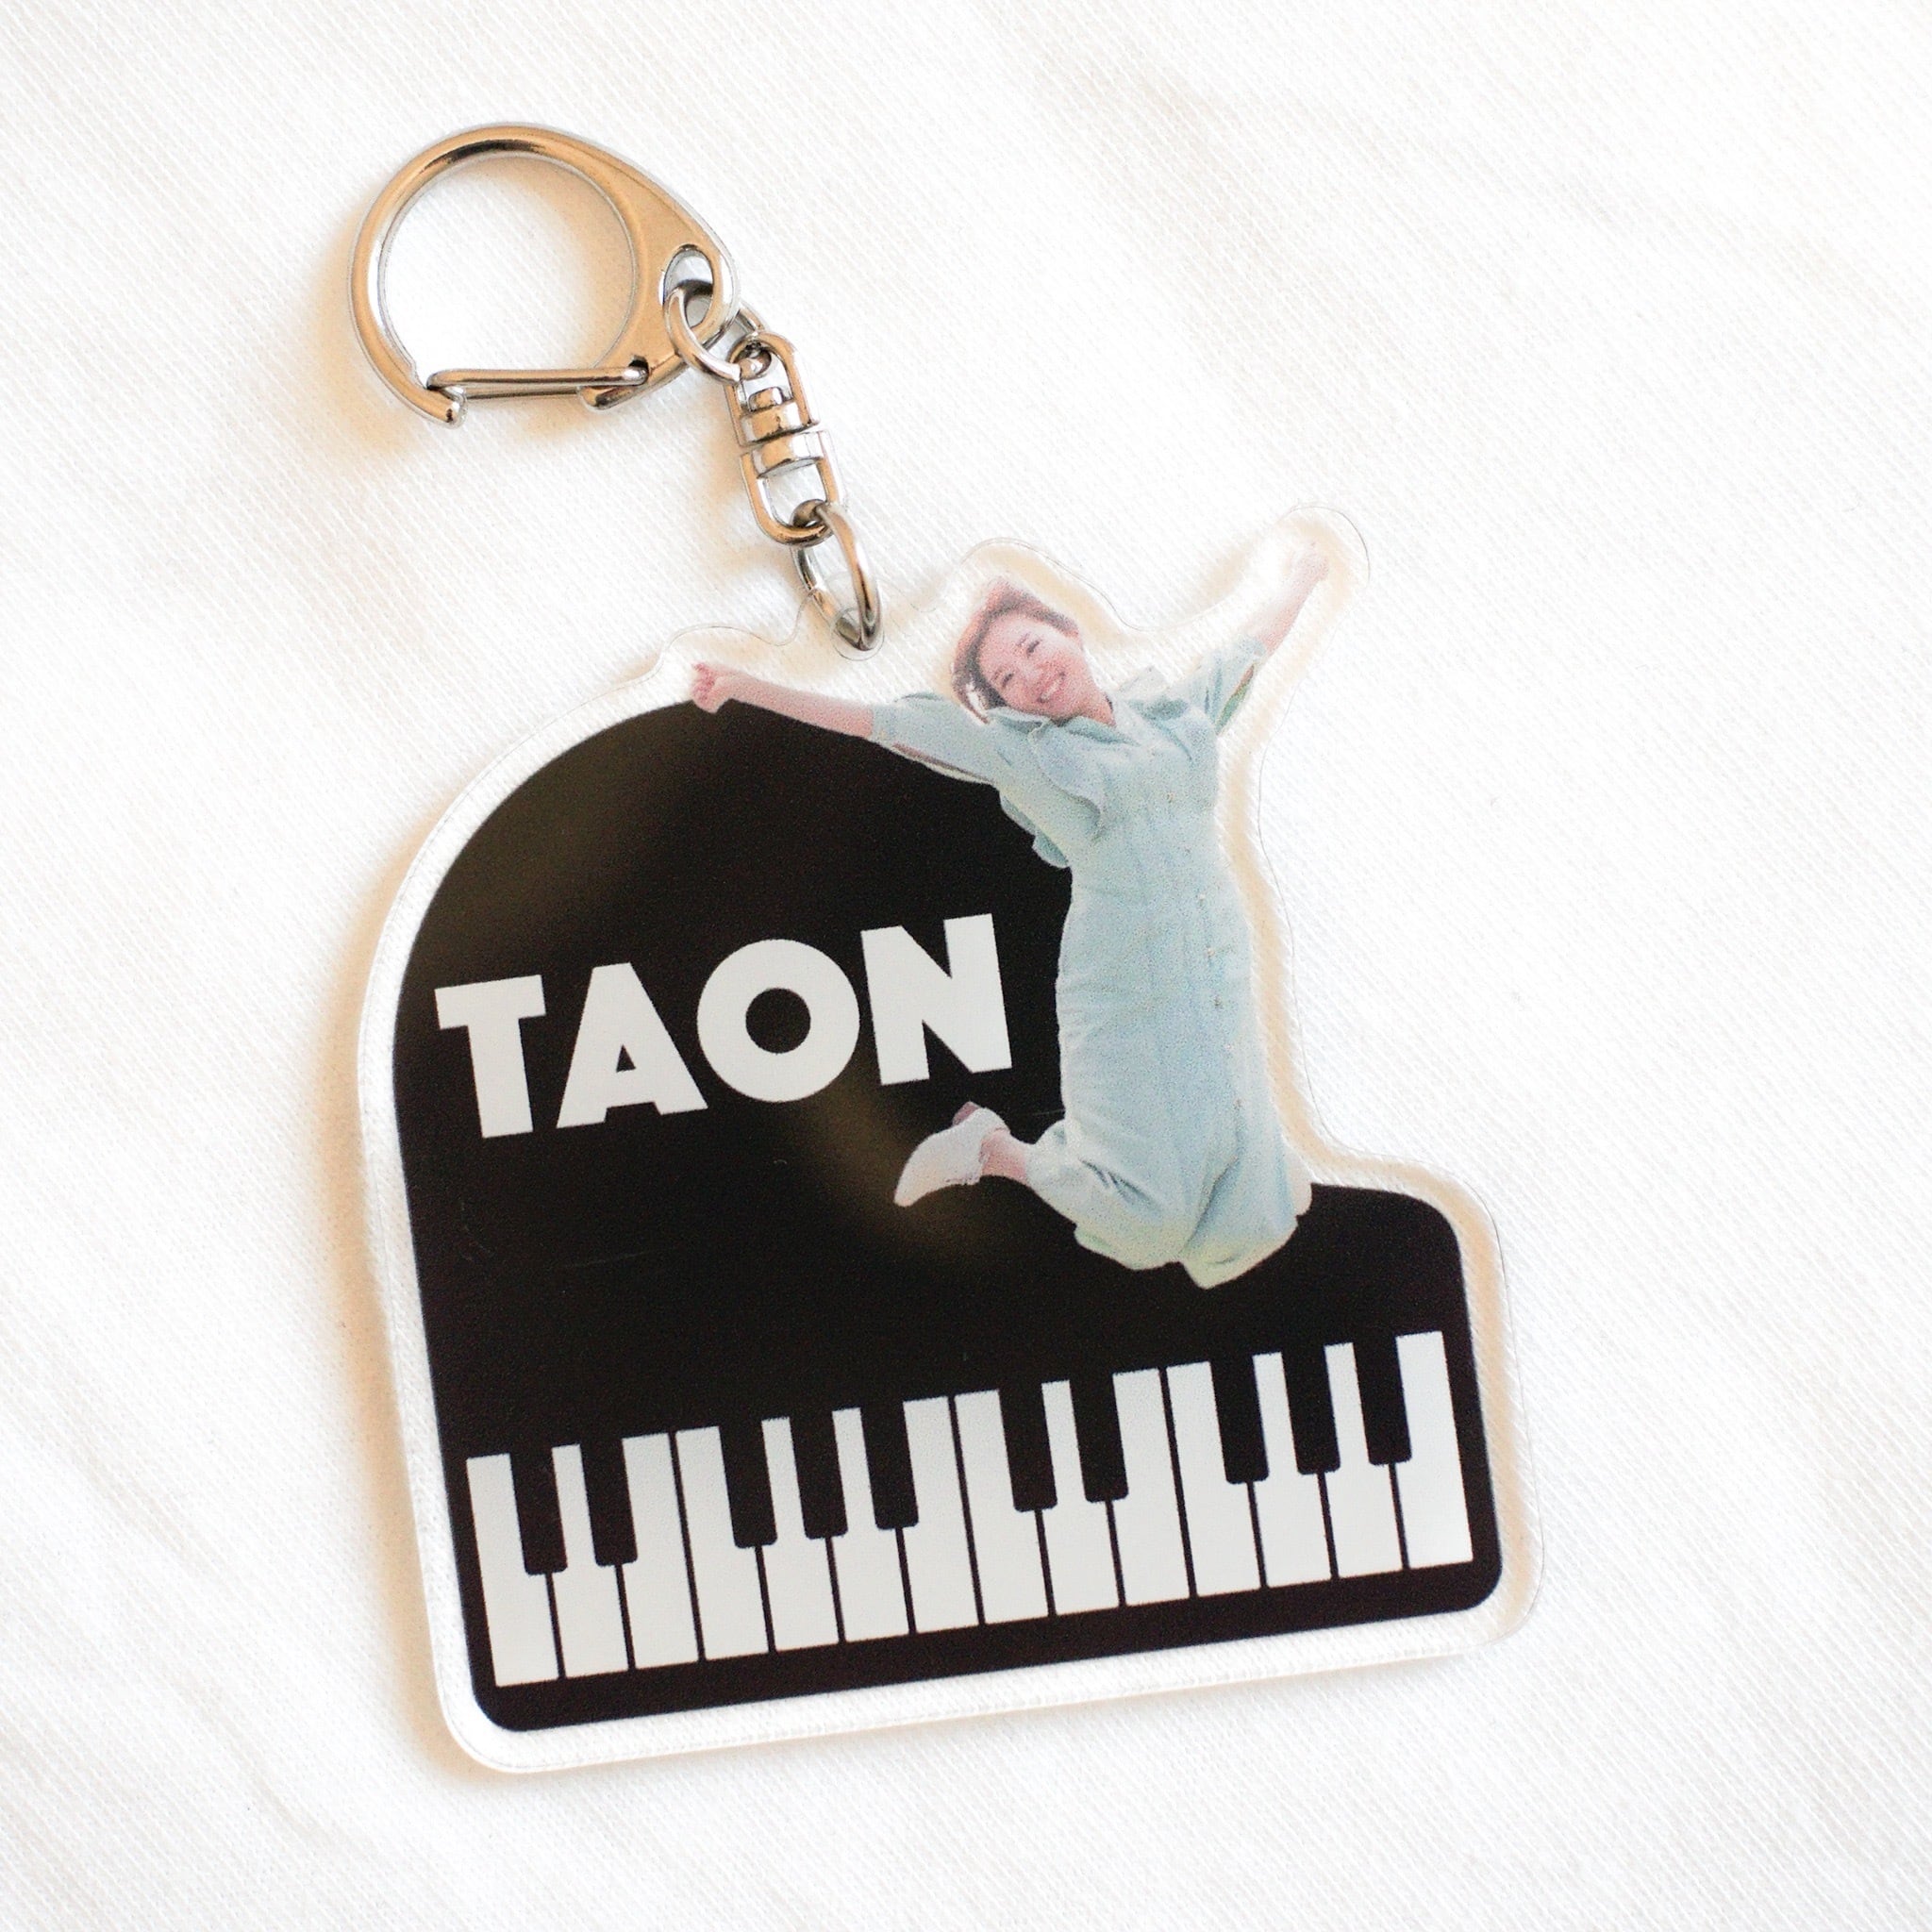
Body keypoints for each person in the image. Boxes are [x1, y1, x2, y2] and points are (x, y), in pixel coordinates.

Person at [691, 544, 1330, 1289]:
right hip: (1123, 983)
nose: (1031, 676)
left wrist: (1303, 577)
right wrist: (748, 687)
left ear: (1069, 632)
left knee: (1249, 1208)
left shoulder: (1171, 718)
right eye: (1006, 681)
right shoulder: (1023, 755)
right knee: (1146, 1220)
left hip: (1214, 955)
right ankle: (993, 1150)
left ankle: (1251, 1177)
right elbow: (877, 723)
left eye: (1031, 648)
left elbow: (1247, 650)